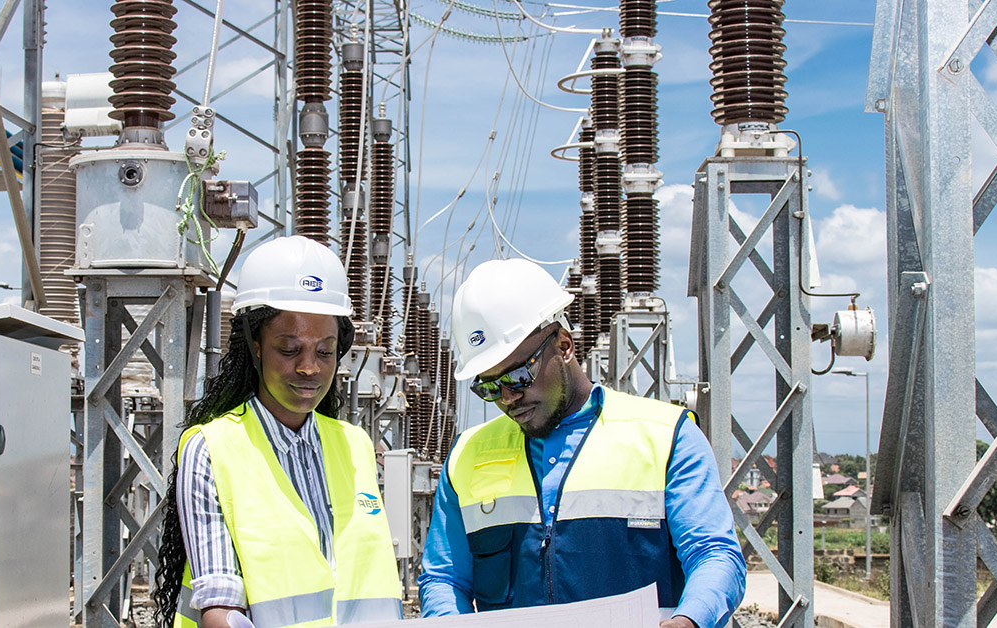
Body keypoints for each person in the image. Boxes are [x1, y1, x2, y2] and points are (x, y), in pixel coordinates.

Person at [418, 258, 745, 628]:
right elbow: (444, 578)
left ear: (564, 346)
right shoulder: (468, 456)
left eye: (519, 377)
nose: (507, 398)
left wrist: (690, 619)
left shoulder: (666, 437)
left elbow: (715, 555)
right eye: (489, 387)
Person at [153, 236, 402, 628]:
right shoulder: (212, 450)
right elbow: (220, 609)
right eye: (289, 350)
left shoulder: (356, 446)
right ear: (255, 346)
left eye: (325, 351)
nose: (309, 368)